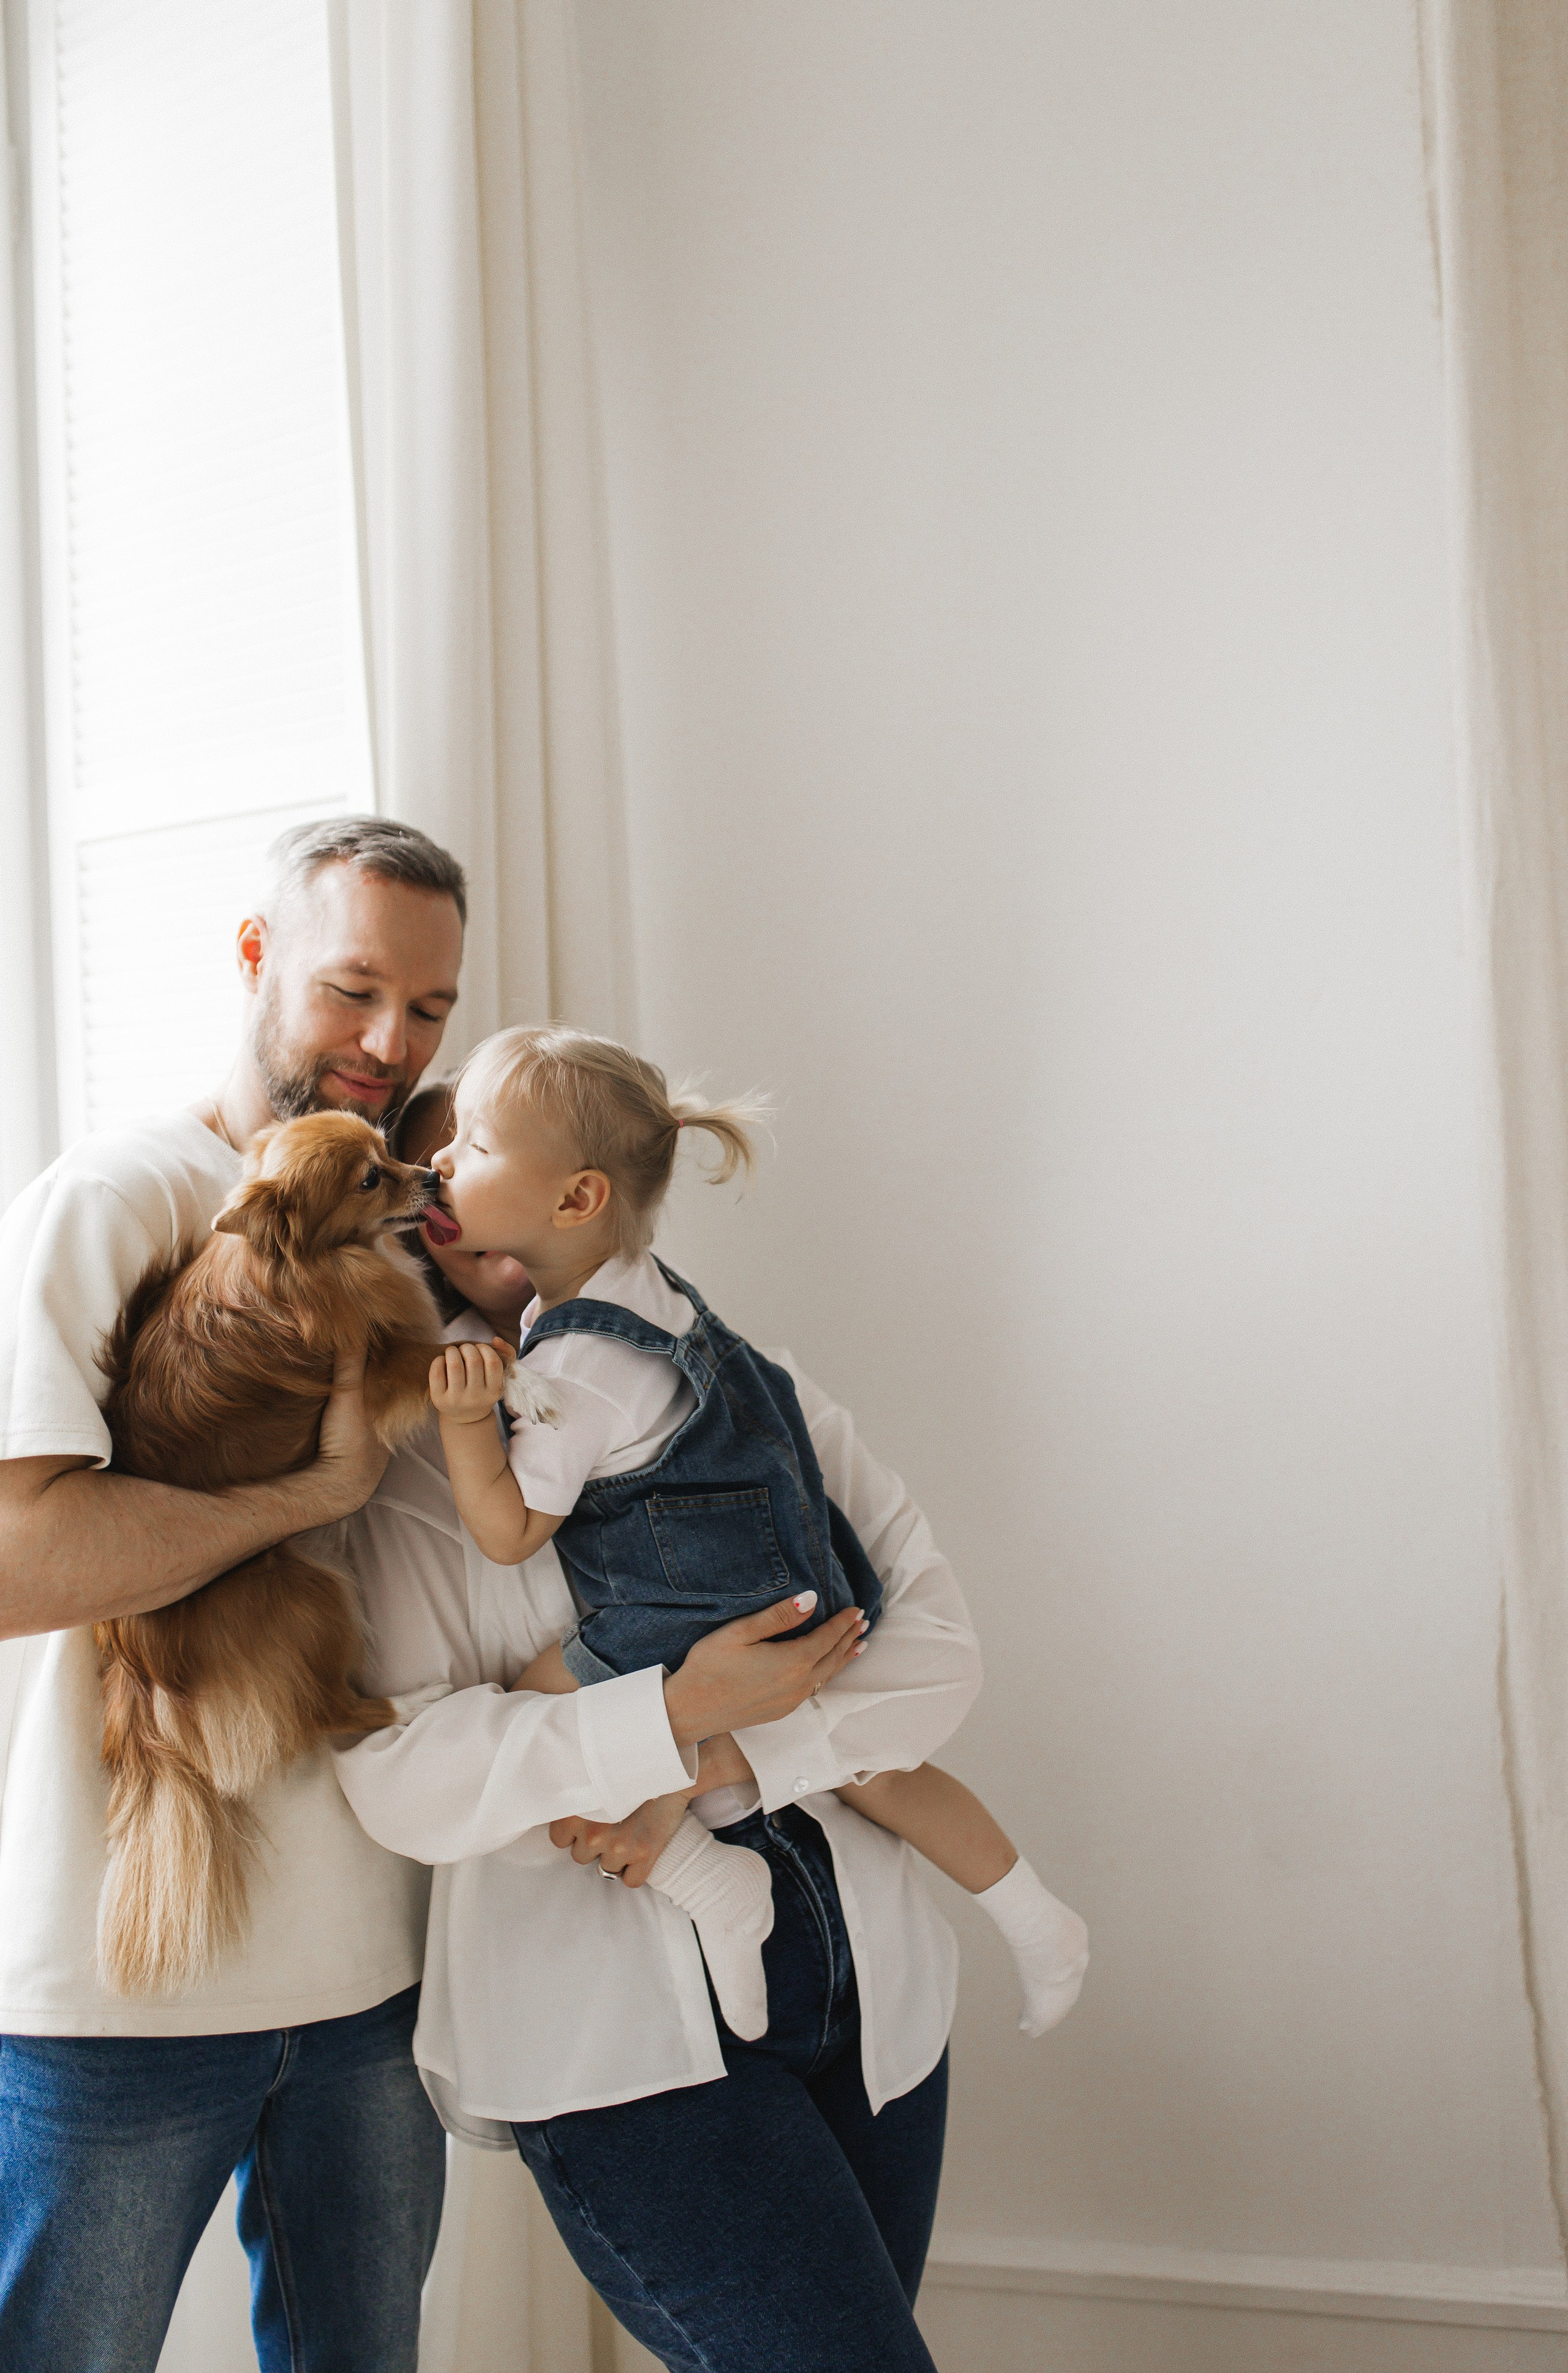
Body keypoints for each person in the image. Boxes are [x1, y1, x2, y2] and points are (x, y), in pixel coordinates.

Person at [0, 818, 861, 2373]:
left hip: (380, 1968)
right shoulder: (119, 1196)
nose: (389, 1044)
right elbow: (15, 1563)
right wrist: (313, 1494)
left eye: (427, 1008)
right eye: (351, 991)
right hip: (127, 1972)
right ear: (258, 959)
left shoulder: (425, 1226)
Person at [330, 1058, 1012, 2373]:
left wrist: (719, 1749)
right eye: (431, 1167)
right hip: (626, 2046)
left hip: (873, 1986)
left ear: (575, 1195)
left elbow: (933, 1655)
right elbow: (398, 1782)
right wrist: (672, 1709)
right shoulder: (414, 1475)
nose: (443, 1186)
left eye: (473, 1153)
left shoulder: (744, 1387)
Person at [422, 1024, 1090, 2047]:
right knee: (880, 1771)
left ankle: (705, 1875)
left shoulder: (572, 1368)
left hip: (692, 1596)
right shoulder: (652, 1289)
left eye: (472, 1142)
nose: (441, 1160)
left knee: (539, 1721)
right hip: (798, 1565)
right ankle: (1032, 1911)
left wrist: (471, 1425)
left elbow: (512, 1532)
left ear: (575, 1199)